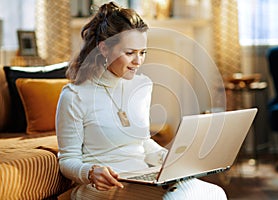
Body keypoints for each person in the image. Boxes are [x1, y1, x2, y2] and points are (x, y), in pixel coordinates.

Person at [56, 2, 227, 199]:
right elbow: (68, 160)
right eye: (129, 53)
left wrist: (169, 158)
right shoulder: (74, 95)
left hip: (141, 176)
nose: (138, 61)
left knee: (214, 192)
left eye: (143, 52)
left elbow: (142, 142)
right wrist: (91, 171)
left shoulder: (142, 85)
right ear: (103, 49)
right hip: (102, 187)